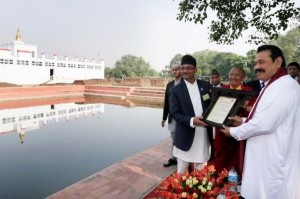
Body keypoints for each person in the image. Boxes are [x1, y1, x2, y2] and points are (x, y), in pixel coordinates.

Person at [221, 45, 300, 198]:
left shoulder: (285, 86)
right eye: (255, 63)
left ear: (278, 62)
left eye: (262, 62)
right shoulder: (273, 84)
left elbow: (265, 124)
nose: (257, 67)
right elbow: (265, 116)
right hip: (266, 156)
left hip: (274, 161)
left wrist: (233, 131)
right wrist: (243, 121)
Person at [208, 66, 256, 179]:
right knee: (220, 157)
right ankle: (219, 180)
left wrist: (245, 107)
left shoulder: (249, 92)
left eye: (237, 75)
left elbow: (254, 112)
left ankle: (236, 181)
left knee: (239, 157)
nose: (233, 77)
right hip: (222, 130)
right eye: (231, 74)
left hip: (240, 130)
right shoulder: (221, 90)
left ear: (243, 77)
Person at [171, 55, 213, 174]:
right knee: (182, 171)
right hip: (185, 135)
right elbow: (175, 113)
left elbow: (213, 104)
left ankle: (200, 192)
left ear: (195, 69)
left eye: (189, 68)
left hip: (203, 134)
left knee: (201, 169)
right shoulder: (176, 90)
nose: (185, 71)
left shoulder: (205, 86)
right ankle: (180, 192)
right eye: (182, 68)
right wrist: (191, 121)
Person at [161, 61, 182, 167]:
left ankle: (181, 158)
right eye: (173, 69)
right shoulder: (170, 85)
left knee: (182, 137)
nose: (175, 71)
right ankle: (174, 158)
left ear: (181, 69)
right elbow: (166, 102)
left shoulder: (185, 83)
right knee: (174, 138)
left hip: (183, 117)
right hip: (172, 117)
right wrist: (164, 118)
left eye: (177, 69)